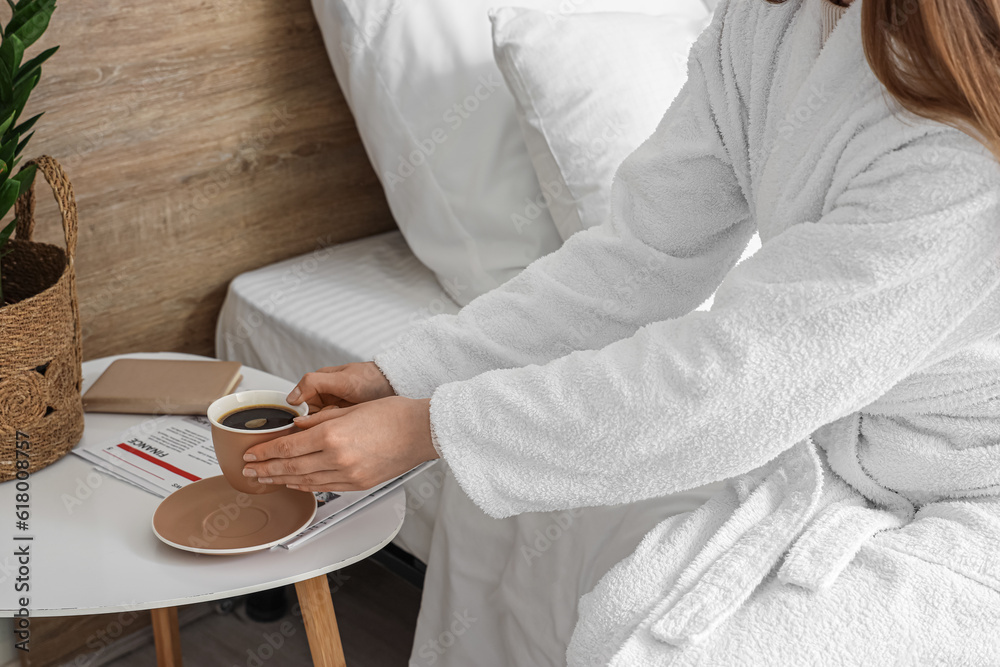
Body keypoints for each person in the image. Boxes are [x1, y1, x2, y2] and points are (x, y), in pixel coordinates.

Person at [241, 0, 1000, 663]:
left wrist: (431, 427)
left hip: (973, 481)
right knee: (502, 515)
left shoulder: (961, 132)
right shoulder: (770, 21)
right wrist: (407, 377)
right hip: (842, 433)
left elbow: (737, 382)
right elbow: (640, 256)